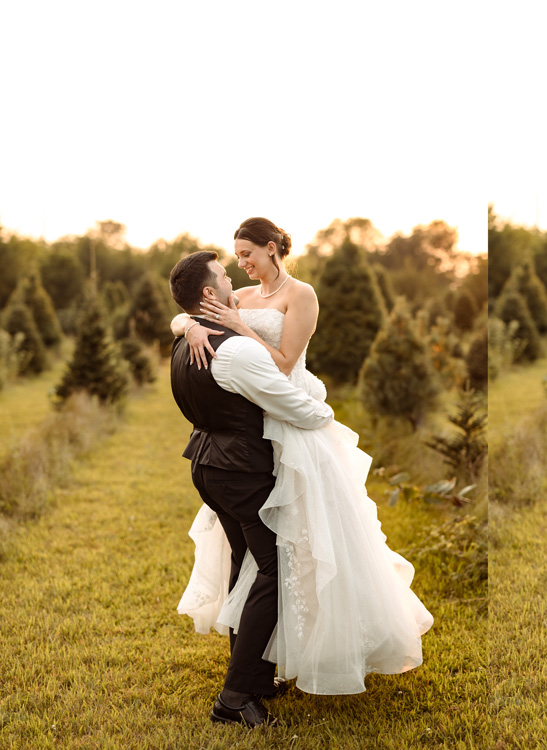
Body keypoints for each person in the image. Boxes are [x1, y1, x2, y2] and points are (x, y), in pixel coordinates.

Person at [170, 218, 433, 703]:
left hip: (290, 417)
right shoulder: (239, 296)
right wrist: (188, 328)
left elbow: (287, 363)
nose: (242, 265)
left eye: (247, 254)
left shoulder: (301, 294)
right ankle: (252, 673)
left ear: (272, 249)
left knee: (310, 545)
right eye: (236, 259)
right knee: (261, 558)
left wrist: (240, 328)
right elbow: (190, 310)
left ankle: (280, 663)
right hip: (253, 431)